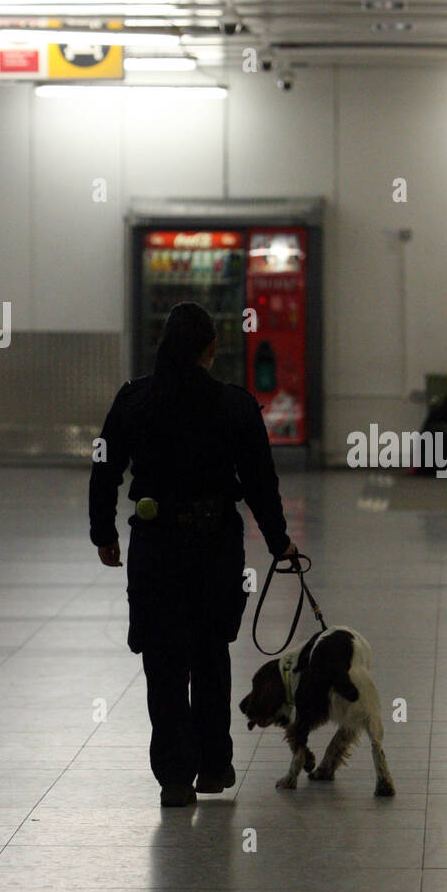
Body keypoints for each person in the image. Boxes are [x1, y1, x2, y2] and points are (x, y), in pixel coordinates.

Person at [89, 302, 296, 806]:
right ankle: (214, 765)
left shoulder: (134, 399)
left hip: (155, 545)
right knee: (209, 654)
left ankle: (175, 779)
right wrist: (278, 541)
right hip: (214, 547)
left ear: (163, 342)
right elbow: (259, 484)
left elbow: (104, 464)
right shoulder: (235, 405)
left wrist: (103, 531)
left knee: (162, 661)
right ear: (212, 349)